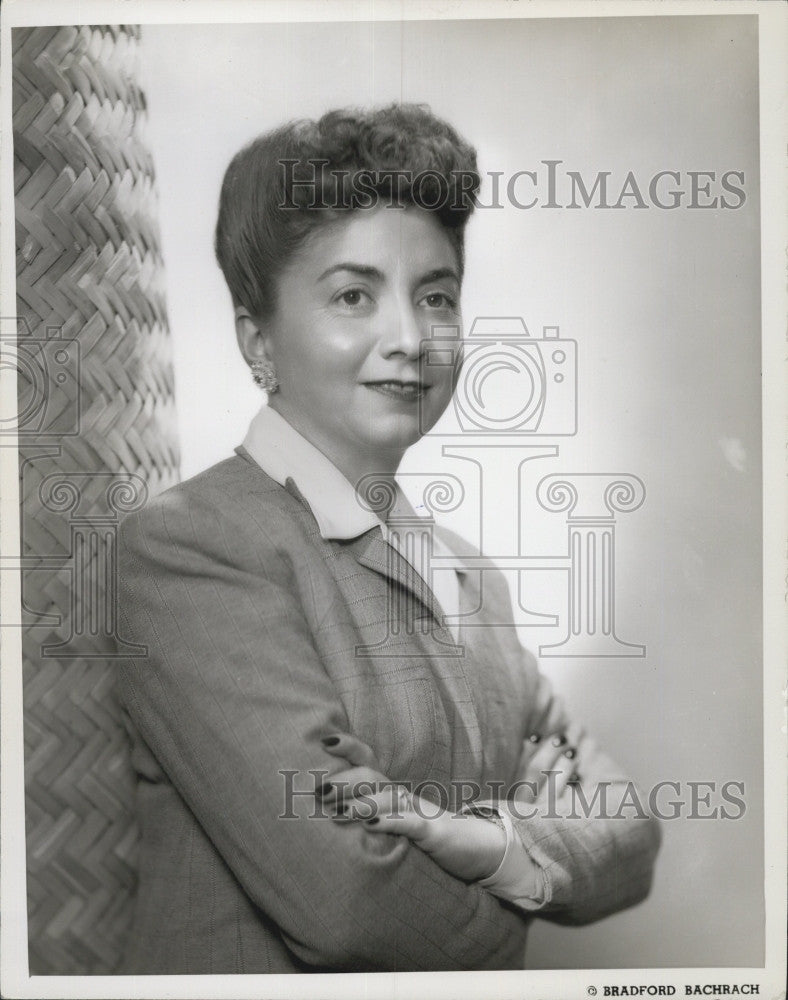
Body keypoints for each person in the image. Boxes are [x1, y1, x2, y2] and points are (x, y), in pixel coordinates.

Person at [116, 104, 660, 974]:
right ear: (257, 339)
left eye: (436, 295)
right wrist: (531, 863)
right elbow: (347, 905)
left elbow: (631, 838)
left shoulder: (470, 579)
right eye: (353, 295)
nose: (411, 339)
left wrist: (486, 846)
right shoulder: (189, 551)